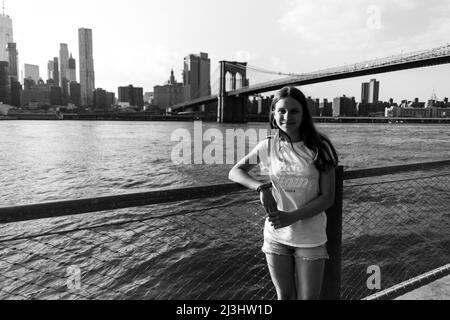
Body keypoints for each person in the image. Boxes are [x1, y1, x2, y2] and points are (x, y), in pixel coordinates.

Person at [228, 86, 339, 300]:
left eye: (294, 111)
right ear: (273, 114)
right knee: (284, 297)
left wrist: (292, 217)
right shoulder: (267, 146)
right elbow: (235, 171)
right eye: (281, 111)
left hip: (310, 237)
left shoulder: (319, 147)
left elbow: (328, 197)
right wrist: (261, 187)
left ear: (304, 113)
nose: (287, 116)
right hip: (276, 236)